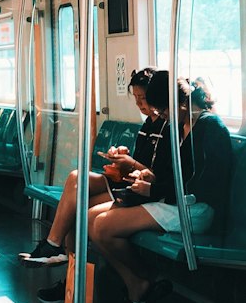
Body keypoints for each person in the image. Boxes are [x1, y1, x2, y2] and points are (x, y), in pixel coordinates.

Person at [86, 74, 233, 303]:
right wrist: (149, 178)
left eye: (163, 110)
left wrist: (154, 191)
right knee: (92, 217)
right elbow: (170, 174)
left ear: (181, 105)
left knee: (103, 226)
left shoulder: (211, 129)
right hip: (175, 202)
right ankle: (136, 282)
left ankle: (142, 281)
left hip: (197, 209)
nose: (162, 116)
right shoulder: (181, 126)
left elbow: (205, 187)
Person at [24, 67, 165, 283]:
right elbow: (140, 163)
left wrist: (130, 164)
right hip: (127, 180)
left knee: (78, 208)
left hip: (140, 189)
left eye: (143, 98)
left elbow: (156, 174)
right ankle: (58, 254)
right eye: (136, 98)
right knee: (75, 178)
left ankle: (65, 269)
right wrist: (122, 157)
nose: (139, 104)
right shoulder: (148, 125)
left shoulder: (167, 126)